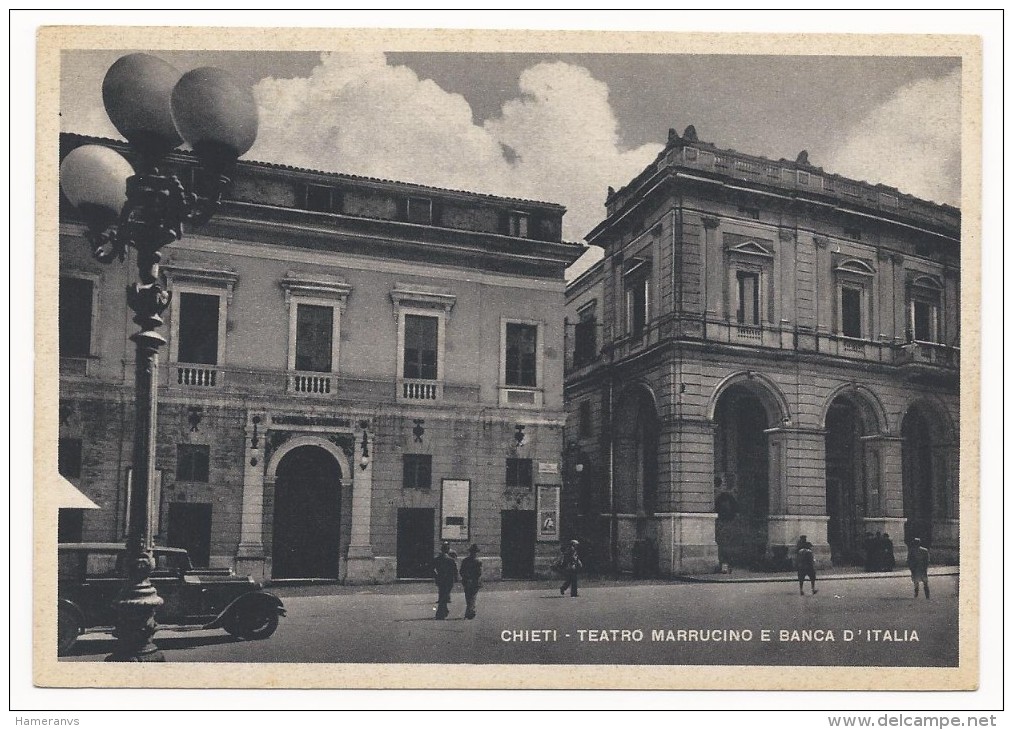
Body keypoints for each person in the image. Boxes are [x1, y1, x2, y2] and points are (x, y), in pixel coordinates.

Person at [433, 541, 458, 619]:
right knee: (445, 595)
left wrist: (436, 576)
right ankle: (441, 613)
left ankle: (443, 611)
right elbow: (455, 570)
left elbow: (432, 569)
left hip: (440, 579)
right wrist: (456, 578)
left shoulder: (437, 559)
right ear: (447, 550)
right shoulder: (451, 560)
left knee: (442, 594)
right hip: (449, 580)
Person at [459, 544, 482, 620]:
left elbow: (461, 571)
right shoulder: (478, 561)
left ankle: (469, 611)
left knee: (468, 597)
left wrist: (466, 577)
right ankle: (470, 611)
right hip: (475, 582)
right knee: (473, 597)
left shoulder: (465, 560)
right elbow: (479, 573)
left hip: (466, 581)